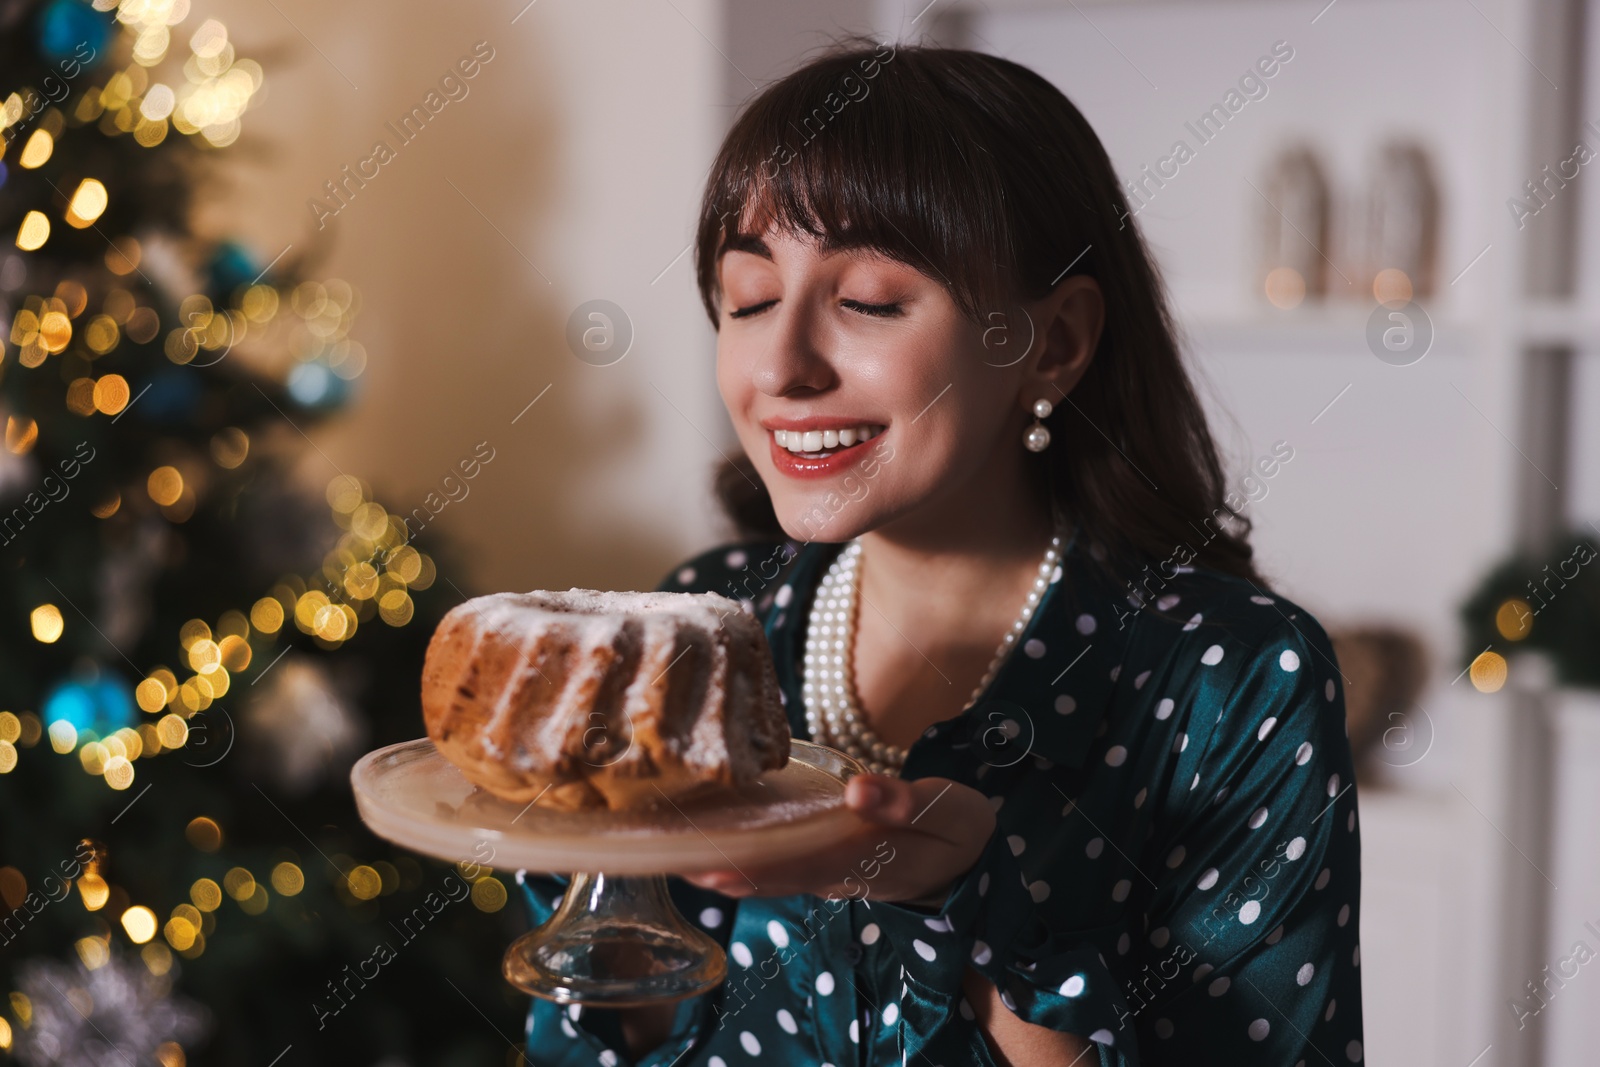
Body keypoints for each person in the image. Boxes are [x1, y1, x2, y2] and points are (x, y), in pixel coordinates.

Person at [519, 37, 1363, 1067]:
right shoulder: (706, 622)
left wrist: (960, 901)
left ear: (1050, 343)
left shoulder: (1228, 678)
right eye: (746, 299)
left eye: (867, 300)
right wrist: (605, 877)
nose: (780, 365)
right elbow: (607, 1040)